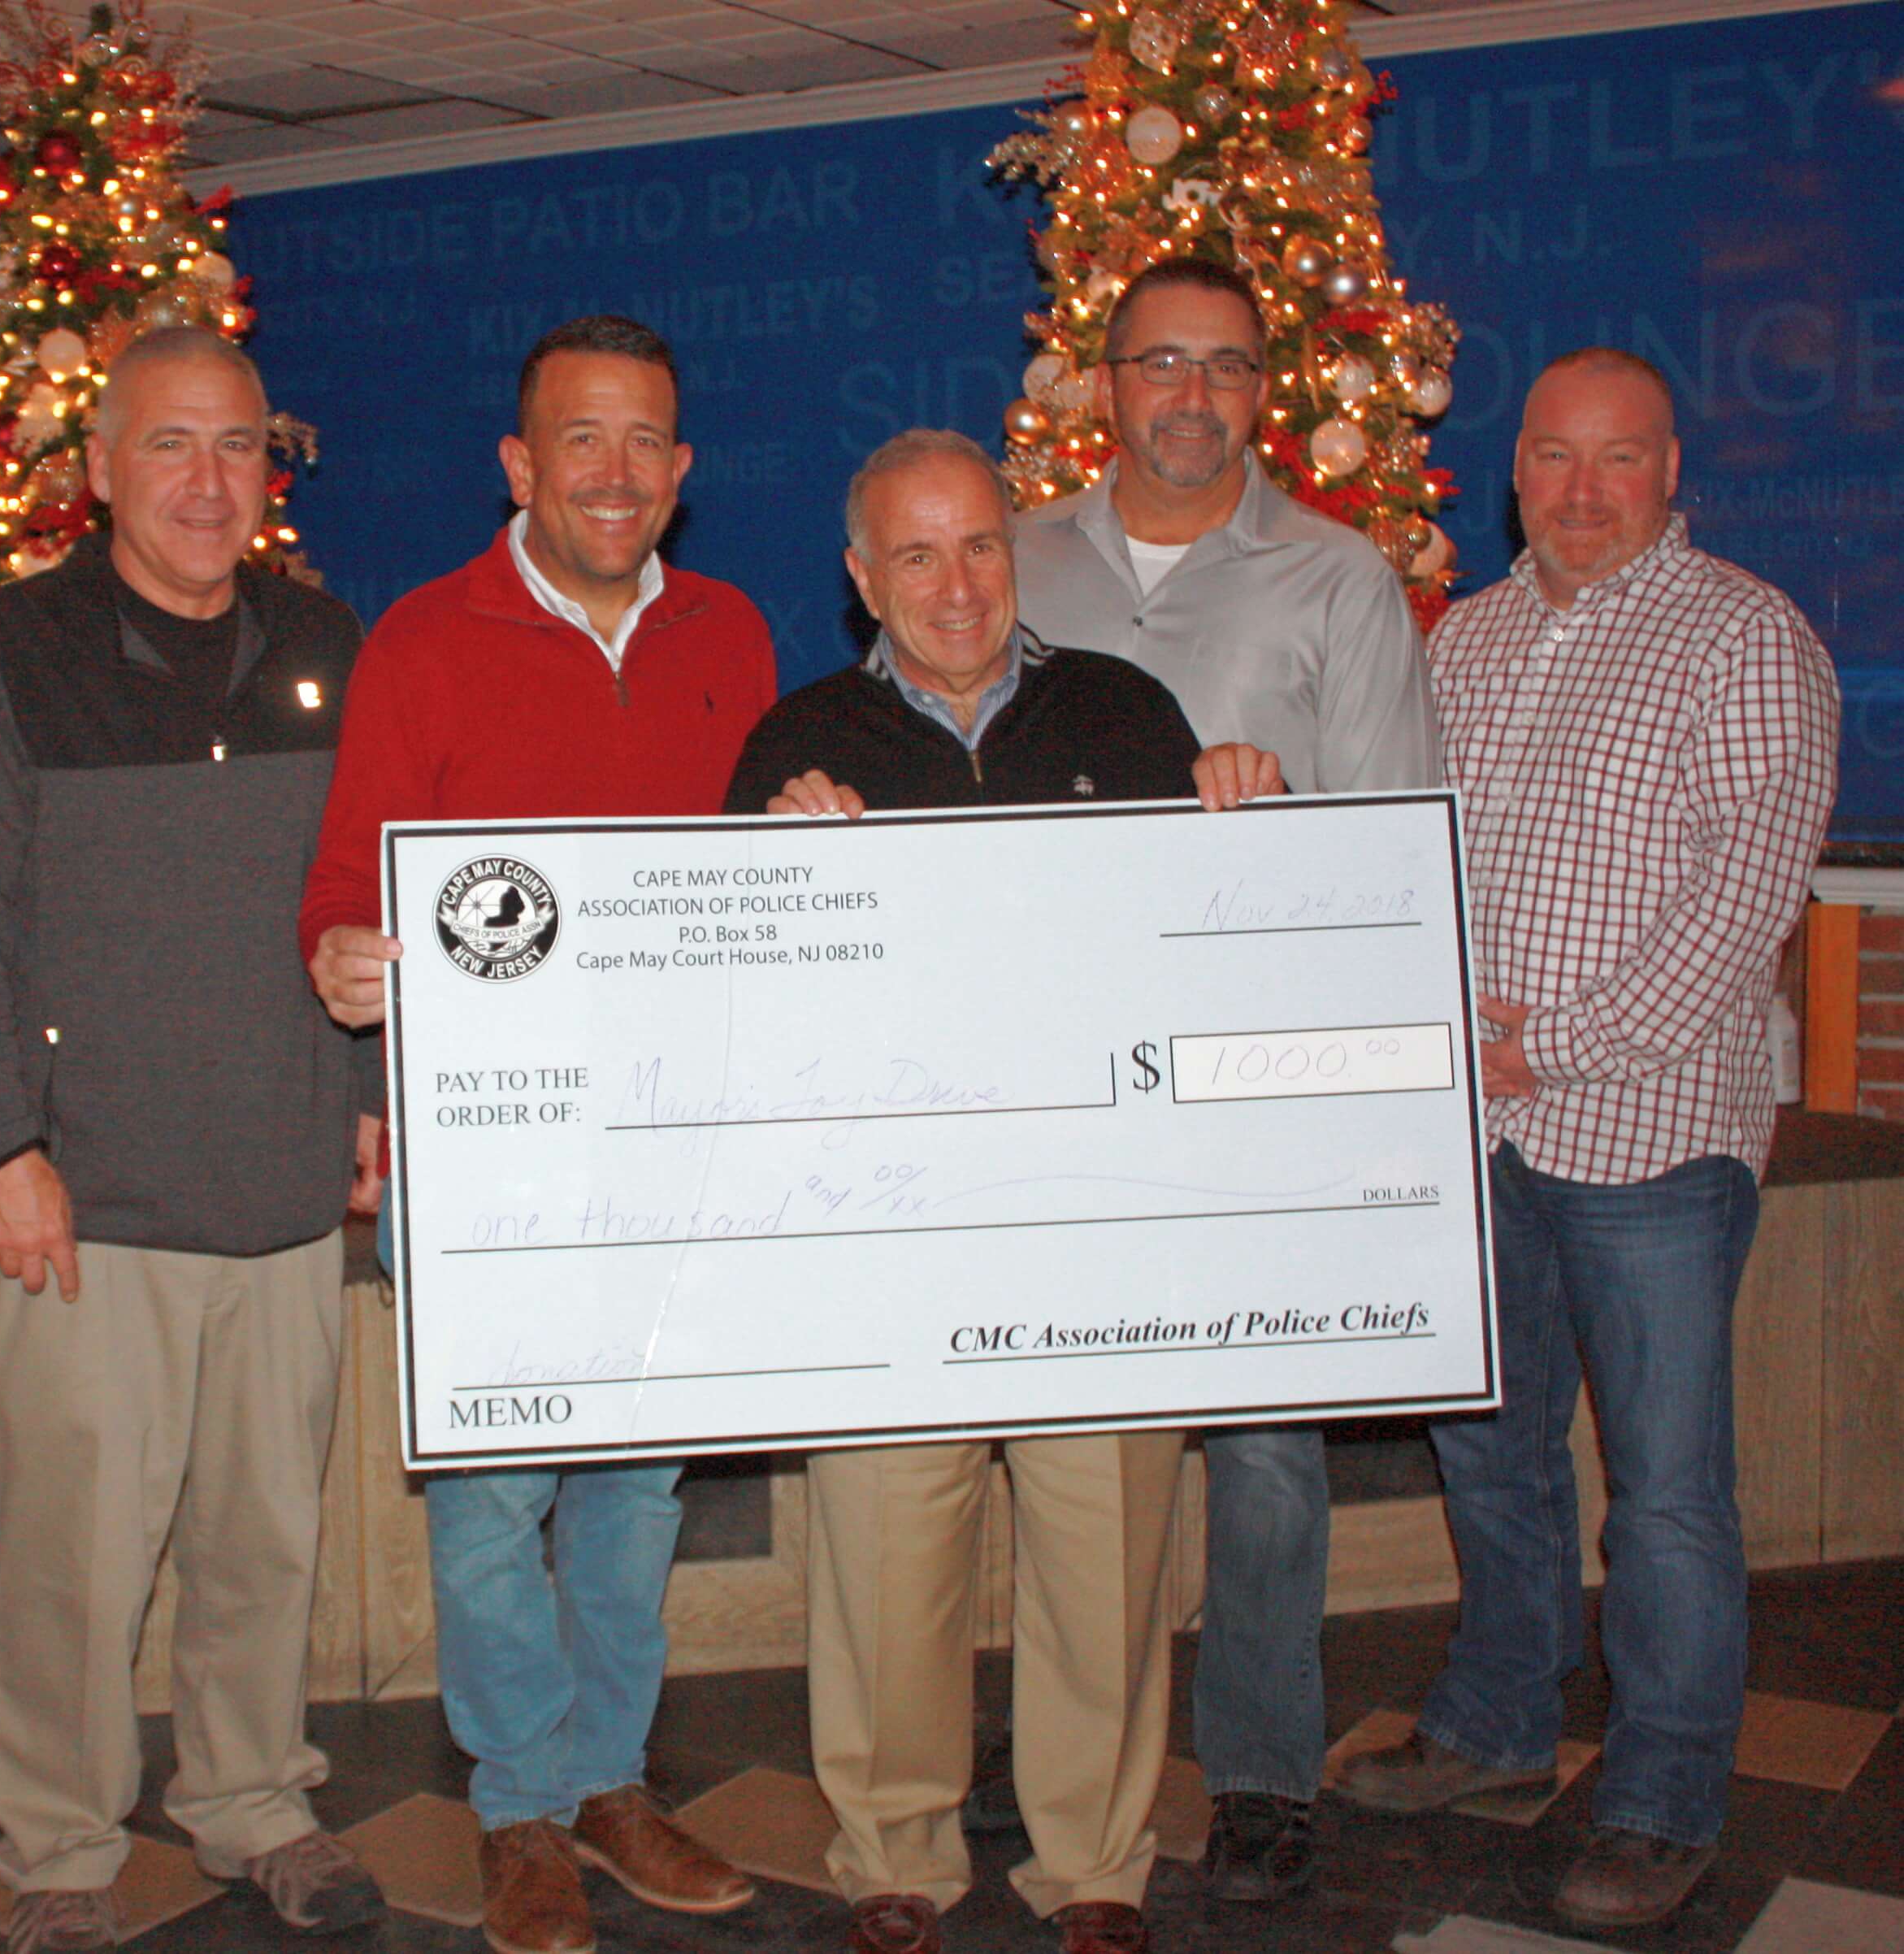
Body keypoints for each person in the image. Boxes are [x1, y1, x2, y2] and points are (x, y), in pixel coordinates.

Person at [1327, 349, 1836, 1929]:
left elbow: (1741, 904)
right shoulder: (1460, 641)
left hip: (1654, 1131)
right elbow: (1407, 857)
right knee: (1493, 1445)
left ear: (1671, 469)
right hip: (1476, 1126)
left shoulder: (1747, 638)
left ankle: (1669, 1788)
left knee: (1667, 1489)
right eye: (1554, 456)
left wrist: (1547, 1042)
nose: (1584, 489)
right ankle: (1493, 1720)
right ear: (1515, 472)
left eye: (1619, 459)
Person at [0, 328, 386, 1953]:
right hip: (83, 1206)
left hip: (285, 1193)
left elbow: (371, 902)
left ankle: (251, 1800)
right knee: (72, 1566)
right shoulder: (2, 651)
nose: (205, 481)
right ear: (99, 466)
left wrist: (376, 1104)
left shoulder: (329, 641)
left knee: (265, 1542)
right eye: (169, 445)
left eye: (238, 446)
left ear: (270, 470)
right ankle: (56, 1840)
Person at [731, 428, 1247, 1954]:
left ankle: (1095, 1865)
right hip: (893, 1240)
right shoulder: (795, 746)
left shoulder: (1125, 709)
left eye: (978, 548)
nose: (953, 586)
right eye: (914, 554)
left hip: (1097, 1225)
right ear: (857, 576)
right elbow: (744, 1020)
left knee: (1107, 1549)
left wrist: (1242, 805)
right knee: (887, 1554)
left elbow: (1210, 946)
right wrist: (769, 870)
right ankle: (893, 1851)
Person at [301, 315, 775, 1954]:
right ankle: (519, 1805)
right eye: (583, 438)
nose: (617, 472)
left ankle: (613, 1779)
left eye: (646, 439)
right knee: (494, 1499)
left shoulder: (734, 632)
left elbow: (765, 890)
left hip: (673, 1144)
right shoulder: (424, 642)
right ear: (521, 463)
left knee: (636, 1493)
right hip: (490, 1153)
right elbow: (343, 884)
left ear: (683, 469)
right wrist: (343, 956)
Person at [1011, 255, 1441, 1904]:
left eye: (1228, 367)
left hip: (1263, 1077)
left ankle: (1262, 1761)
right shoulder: (1015, 557)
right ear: (1103, 381)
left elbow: (1391, 837)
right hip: (1058, 1072)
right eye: (1159, 364)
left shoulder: (1336, 581)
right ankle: (1064, 1746)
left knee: (1266, 1448)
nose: (1191, 395)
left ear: (1265, 388)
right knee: (1060, 1425)